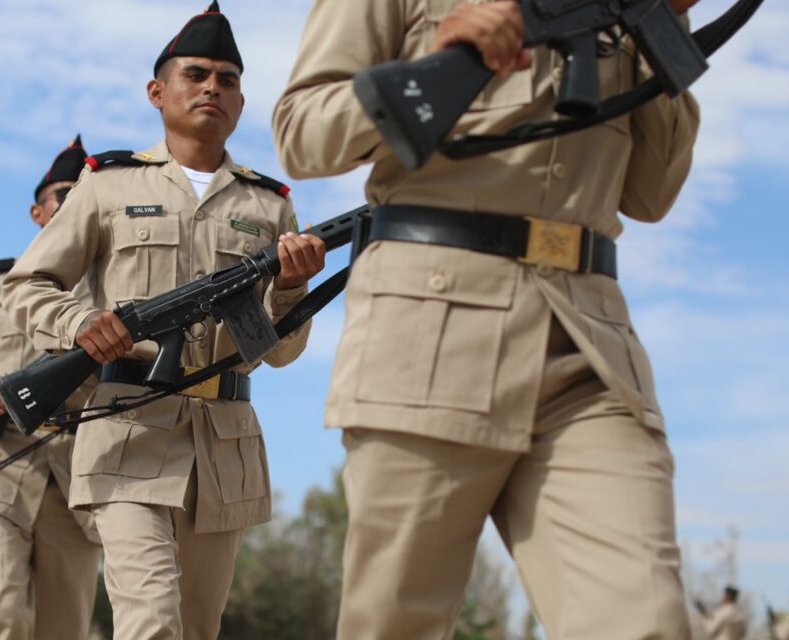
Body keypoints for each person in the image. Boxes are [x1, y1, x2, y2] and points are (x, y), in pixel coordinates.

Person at [273, 0, 702, 637]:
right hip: (433, 335)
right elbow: (303, 136)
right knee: (398, 624)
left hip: (585, 346)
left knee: (645, 618)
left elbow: (650, 193)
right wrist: (443, 57)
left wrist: (661, 22)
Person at [3, 3, 325, 637]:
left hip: (223, 445)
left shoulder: (269, 204)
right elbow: (26, 287)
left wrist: (289, 289)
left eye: (228, 79)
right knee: (151, 621)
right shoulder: (106, 184)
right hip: (127, 431)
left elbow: (278, 351)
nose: (213, 88)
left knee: (195, 629)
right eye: (196, 74)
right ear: (158, 91)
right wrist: (79, 324)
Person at [0, 136, 104, 640]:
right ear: (37, 211)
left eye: (84, 191)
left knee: (65, 627)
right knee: (1, 611)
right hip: (1, 464)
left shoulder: (111, 296)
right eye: (62, 193)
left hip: (77, 478)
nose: (71, 201)